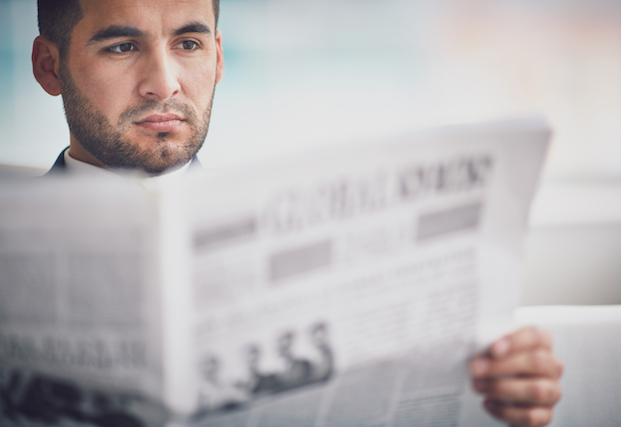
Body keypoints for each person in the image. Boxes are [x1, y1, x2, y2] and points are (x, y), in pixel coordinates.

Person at [31, 0, 563, 425]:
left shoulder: (323, 235)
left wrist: (500, 388)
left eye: (188, 43)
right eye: (122, 46)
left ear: (217, 58)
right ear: (48, 66)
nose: (164, 83)